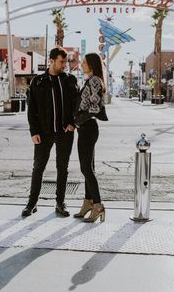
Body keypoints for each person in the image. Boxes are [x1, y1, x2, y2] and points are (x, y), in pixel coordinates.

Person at [22, 47, 78, 218]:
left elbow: (77, 104)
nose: (64, 65)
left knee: (63, 168)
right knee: (38, 167)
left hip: (64, 132)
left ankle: (60, 203)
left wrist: (73, 123)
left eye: (65, 62)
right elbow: (32, 110)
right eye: (61, 62)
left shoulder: (70, 80)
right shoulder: (38, 81)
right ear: (51, 61)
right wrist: (34, 131)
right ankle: (32, 203)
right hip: (43, 133)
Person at [74, 53, 108, 223]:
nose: (81, 64)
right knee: (88, 167)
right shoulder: (91, 80)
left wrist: (77, 120)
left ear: (92, 64)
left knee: (86, 168)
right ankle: (88, 203)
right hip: (86, 128)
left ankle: (98, 205)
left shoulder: (94, 80)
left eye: (84, 62)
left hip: (88, 127)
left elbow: (94, 108)